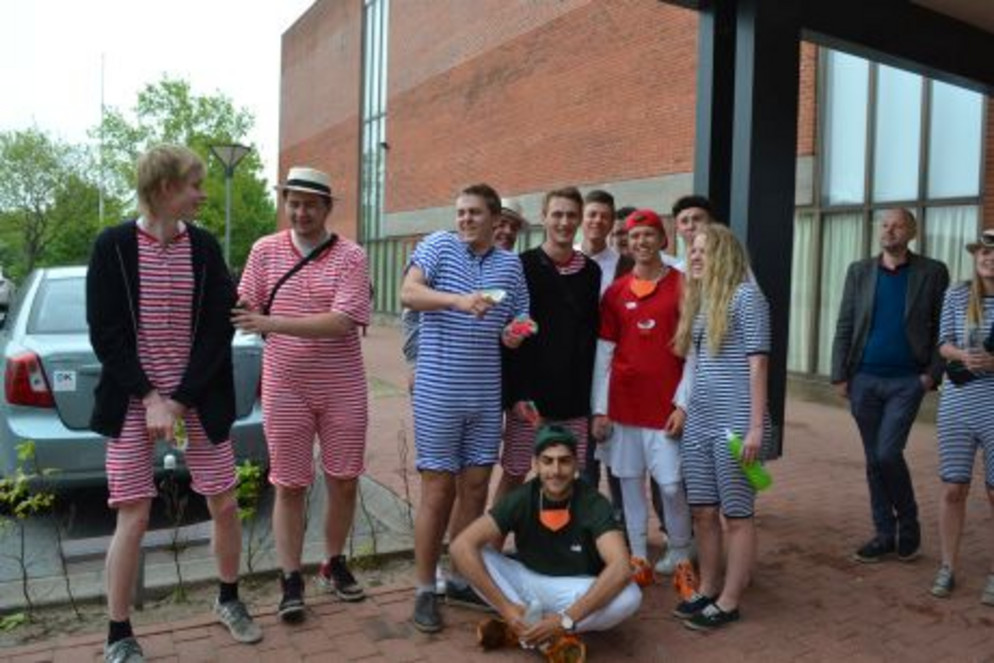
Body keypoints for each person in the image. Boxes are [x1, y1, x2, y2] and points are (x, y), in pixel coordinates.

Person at [87, 145, 262, 663]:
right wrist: (149, 397)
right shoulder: (113, 246)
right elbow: (106, 334)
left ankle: (228, 598)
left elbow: (217, 329)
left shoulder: (203, 247)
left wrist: (179, 400)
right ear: (165, 188)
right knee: (134, 515)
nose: (202, 195)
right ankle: (118, 633)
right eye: (194, 185)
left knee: (224, 502)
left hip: (197, 398)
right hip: (131, 401)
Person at [234, 166, 371, 623]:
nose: (301, 212)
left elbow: (343, 321)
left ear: (327, 208)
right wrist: (241, 306)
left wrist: (270, 322)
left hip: (342, 384)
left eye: (311, 204)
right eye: (293, 203)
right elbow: (248, 301)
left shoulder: (351, 256)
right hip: (285, 384)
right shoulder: (264, 250)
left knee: (344, 479)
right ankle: (290, 577)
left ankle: (333, 562)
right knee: (289, 484)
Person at [400, 183, 530, 633]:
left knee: (475, 488)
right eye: (461, 212)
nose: (465, 220)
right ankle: (424, 587)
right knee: (438, 491)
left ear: (496, 219)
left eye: (474, 213)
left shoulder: (510, 264)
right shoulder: (438, 246)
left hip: (485, 392)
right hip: (439, 390)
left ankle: (459, 577)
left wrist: (515, 332)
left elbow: (519, 317)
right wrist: (457, 300)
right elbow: (408, 293)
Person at [450, 425, 641, 658]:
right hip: (525, 584)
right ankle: (528, 627)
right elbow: (460, 546)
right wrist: (507, 609)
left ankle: (535, 632)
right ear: (536, 465)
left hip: (574, 590)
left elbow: (621, 567)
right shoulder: (522, 497)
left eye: (564, 461)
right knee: (475, 554)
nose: (556, 470)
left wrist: (565, 619)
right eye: (548, 461)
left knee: (630, 596)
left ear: (576, 465)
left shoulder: (594, 503)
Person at [831, 208, 949, 563]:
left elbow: (943, 326)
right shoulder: (859, 271)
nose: (889, 230)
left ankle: (908, 523)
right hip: (864, 379)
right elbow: (845, 323)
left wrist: (931, 375)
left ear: (912, 232)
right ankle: (884, 533)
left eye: (897, 225)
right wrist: (840, 374)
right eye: (884, 225)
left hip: (907, 381)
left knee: (886, 453)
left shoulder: (932, 271)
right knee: (873, 459)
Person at [672, 224, 770, 630]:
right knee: (703, 512)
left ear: (725, 256)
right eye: (692, 250)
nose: (694, 256)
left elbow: (758, 363)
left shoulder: (746, 297)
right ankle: (709, 588)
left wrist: (756, 428)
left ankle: (730, 601)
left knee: (737, 515)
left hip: (736, 424)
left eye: (704, 250)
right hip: (700, 422)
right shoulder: (702, 299)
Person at [591, 209, 694, 579]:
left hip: (665, 409)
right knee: (629, 481)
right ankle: (638, 556)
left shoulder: (684, 285)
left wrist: (683, 404)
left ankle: (681, 553)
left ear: (662, 239)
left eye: (649, 234)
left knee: (671, 485)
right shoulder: (615, 292)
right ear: (627, 243)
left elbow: (694, 352)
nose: (641, 242)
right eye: (635, 236)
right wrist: (599, 409)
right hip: (623, 407)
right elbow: (604, 353)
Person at [498, 187, 601, 504]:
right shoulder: (521, 266)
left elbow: (588, 337)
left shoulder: (591, 272)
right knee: (515, 473)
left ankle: (556, 538)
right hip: (529, 401)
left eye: (571, 215)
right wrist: (516, 395)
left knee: (565, 477)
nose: (564, 222)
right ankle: (496, 537)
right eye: (557, 214)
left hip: (574, 400)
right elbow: (510, 339)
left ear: (579, 219)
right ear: (544, 217)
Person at [929, 229, 994, 602]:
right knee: (953, 489)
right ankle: (947, 567)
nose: (988, 258)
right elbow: (943, 344)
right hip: (958, 403)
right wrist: (963, 356)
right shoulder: (956, 294)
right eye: (983, 252)